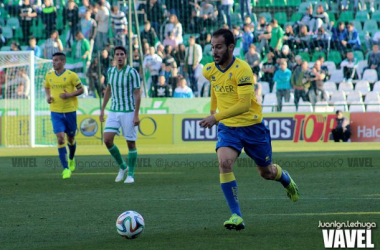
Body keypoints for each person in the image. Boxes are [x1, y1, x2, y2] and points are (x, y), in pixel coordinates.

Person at [200, 29, 299, 231]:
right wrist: (213, 109)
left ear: (230, 47)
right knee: (224, 164)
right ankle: (236, 215)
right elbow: (214, 84)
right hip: (229, 127)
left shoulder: (243, 70)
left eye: (218, 47)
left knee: (266, 172)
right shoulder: (208, 69)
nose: (214, 51)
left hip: (252, 127)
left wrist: (215, 116)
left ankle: (285, 178)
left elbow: (244, 105)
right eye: (212, 47)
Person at [99, 46, 141, 184]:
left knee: (130, 143)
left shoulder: (131, 72)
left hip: (128, 111)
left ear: (126, 56)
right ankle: (123, 167)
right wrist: (102, 109)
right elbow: (108, 90)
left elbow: (137, 94)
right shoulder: (111, 71)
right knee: (107, 139)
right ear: (114, 57)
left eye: (122, 54)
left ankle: (131, 174)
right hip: (114, 110)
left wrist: (136, 115)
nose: (119, 56)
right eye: (117, 54)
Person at [44, 52, 84, 179]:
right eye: (53, 60)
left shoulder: (71, 75)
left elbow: (81, 89)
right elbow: (47, 87)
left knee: (70, 139)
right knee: (60, 138)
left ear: (63, 62)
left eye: (56, 60)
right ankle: (66, 168)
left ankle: (72, 158)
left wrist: (69, 95)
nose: (53, 62)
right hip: (55, 111)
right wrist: (48, 97)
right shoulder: (49, 75)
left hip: (70, 111)